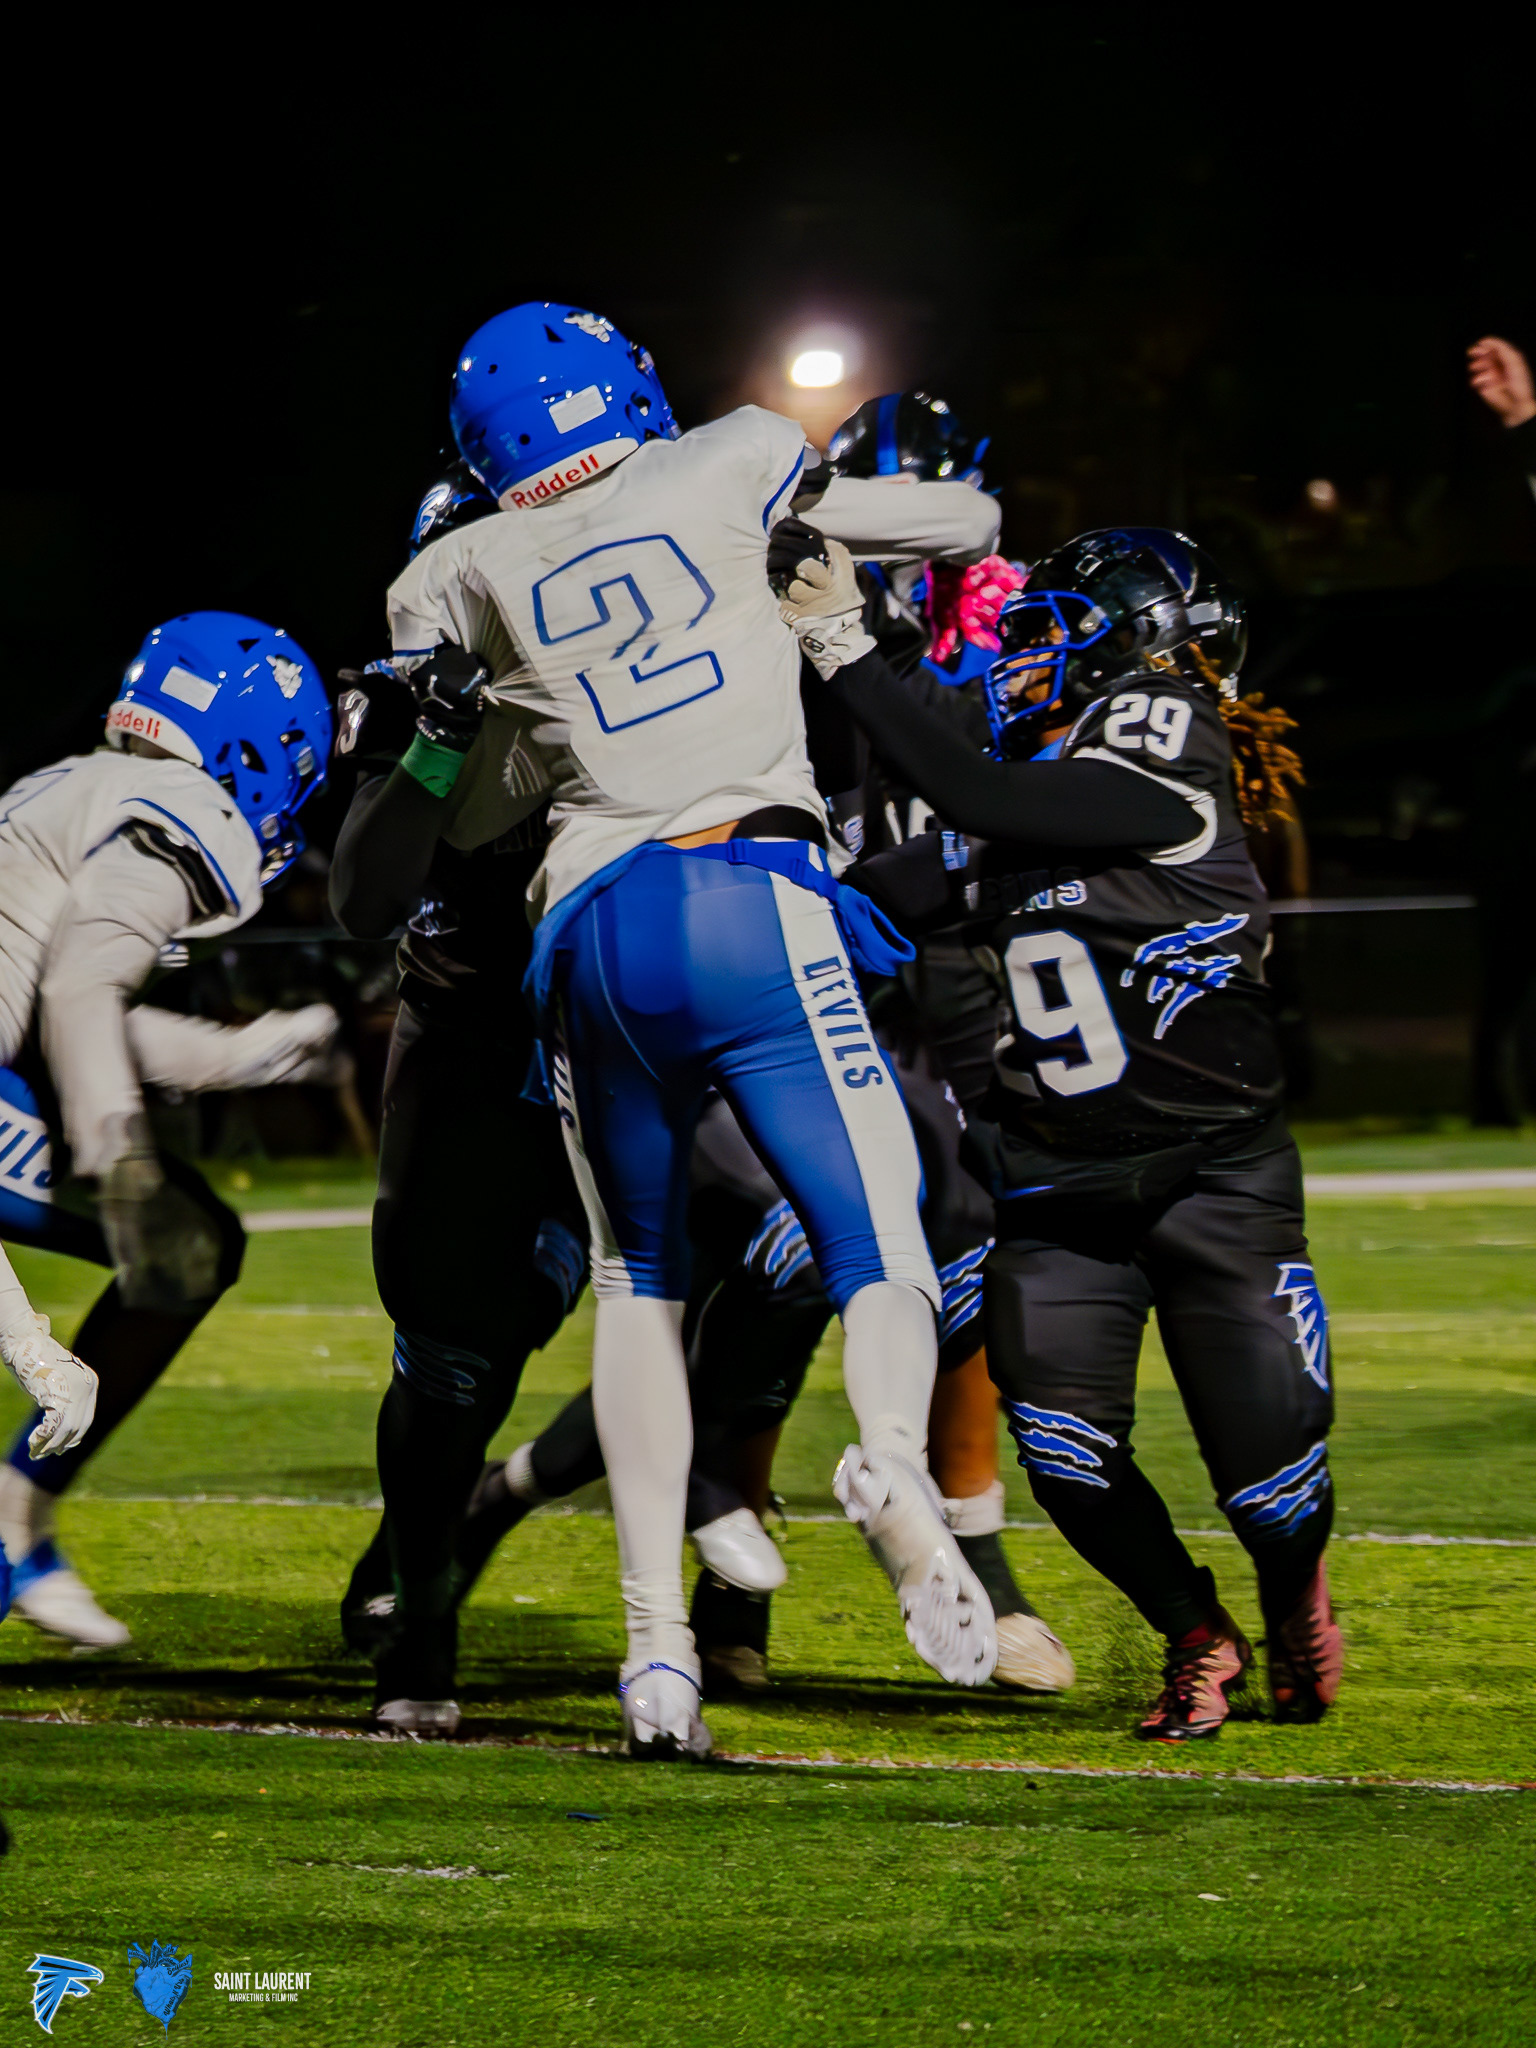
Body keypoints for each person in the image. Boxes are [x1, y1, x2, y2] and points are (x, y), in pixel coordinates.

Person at [375, 302, 999, 1758]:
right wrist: (825, 570)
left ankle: (658, 1658)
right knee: (879, 1240)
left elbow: (468, 811)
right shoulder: (731, 457)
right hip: (752, 888)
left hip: (593, 936)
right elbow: (959, 517)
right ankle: (890, 1463)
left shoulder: (448, 572)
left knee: (634, 1286)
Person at [777, 524, 1341, 1740]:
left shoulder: (1162, 732)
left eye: (1049, 630)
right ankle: (1197, 1632)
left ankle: (1295, 1591)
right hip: (1058, 1191)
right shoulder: (1019, 810)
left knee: (1272, 1482)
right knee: (1070, 1455)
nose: (1019, 655)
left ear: (1140, 641)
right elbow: (863, 898)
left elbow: (980, 794)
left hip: (1213, 1177)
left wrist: (843, 647)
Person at [0, 612, 336, 1645]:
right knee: (181, 1247)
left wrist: (233, 1056)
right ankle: (11, 1519)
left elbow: (69, 999)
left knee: (189, 1248)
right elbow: (81, 988)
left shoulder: (69, 782)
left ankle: (14, 1520)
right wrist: (121, 1154)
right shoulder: (188, 805)